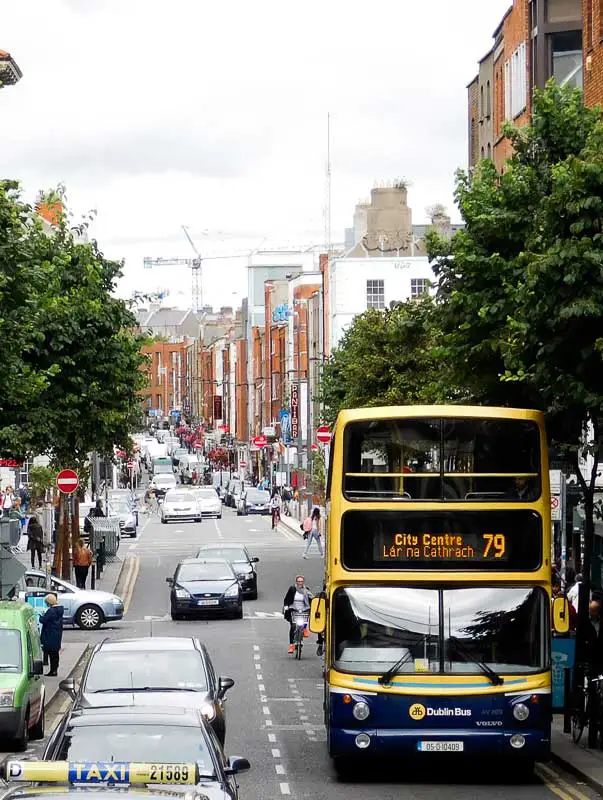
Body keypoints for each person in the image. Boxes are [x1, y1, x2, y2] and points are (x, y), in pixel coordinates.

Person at [283, 575, 324, 655]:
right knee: (293, 626)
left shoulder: (306, 590)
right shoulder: (292, 589)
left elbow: (311, 598)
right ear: (296, 582)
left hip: (303, 609)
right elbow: (287, 599)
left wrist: (315, 605)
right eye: (299, 581)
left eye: (301, 581)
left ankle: (304, 629)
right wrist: (286, 606)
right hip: (294, 609)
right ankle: (291, 645)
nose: (300, 583)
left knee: (305, 618)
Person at [40, 594, 64, 676]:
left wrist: (40, 616)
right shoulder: (59, 610)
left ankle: (52, 671)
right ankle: (54, 670)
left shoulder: (51, 611)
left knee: (51, 654)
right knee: (55, 654)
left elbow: (43, 620)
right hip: (57, 634)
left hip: (50, 634)